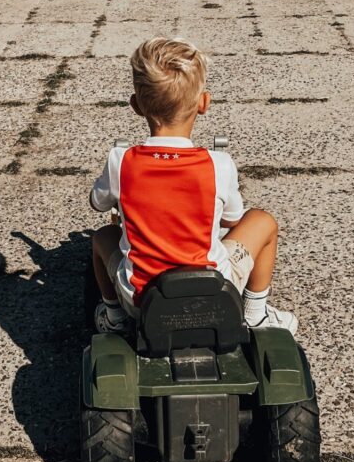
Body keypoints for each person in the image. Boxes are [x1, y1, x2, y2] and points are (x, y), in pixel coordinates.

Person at [89, 36, 297, 336]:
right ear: (203, 103)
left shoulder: (121, 161)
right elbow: (233, 220)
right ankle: (255, 314)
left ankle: (114, 317)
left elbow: (98, 202)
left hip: (140, 298)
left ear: (135, 105)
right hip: (214, 292)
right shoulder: (218, 164)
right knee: (262, 221)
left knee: (102, 237)